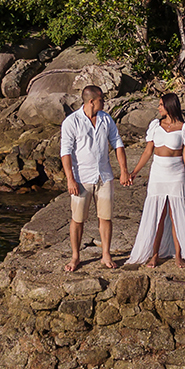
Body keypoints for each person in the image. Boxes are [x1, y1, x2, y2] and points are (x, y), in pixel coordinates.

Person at [126, 92, 185, 268]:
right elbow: (148, 152)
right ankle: (154, 255)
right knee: (158, 215)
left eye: (161, 104)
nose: (158, 107)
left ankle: (178, 256)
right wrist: (135, 172)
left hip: (177, 174)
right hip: (158, 173)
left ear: (169, 106)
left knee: (177, 215)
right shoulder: (155, 125)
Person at [60, 84, 129, 272]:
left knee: (106, 217)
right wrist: (70, 179)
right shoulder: (72, 122)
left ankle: (106, 254)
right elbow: (65, 152)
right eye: (101, 100)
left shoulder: (106, 119)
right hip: (81, 177)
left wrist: (123, 170)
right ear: (91, 101)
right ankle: (75, 256)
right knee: (78, 219)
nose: (104, 102)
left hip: (104, 175)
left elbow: (117, 144)